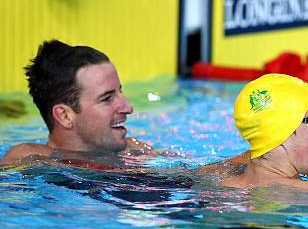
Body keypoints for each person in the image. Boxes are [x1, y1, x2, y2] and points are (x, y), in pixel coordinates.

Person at [0, 39, 249, 170]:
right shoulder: (28, 159)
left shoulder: (133, 150)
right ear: (65, 116)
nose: (128, 107)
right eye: (107, 98)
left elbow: (196, 171)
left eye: (121, 92)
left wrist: (252, 161)